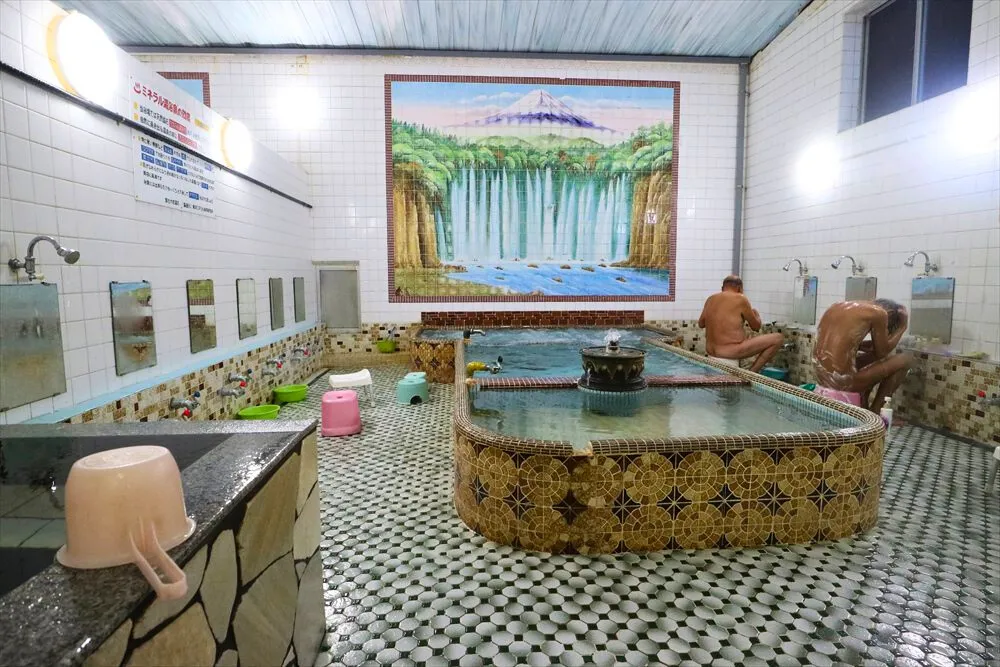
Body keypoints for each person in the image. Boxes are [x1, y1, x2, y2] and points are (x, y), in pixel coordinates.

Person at [813, 299, 911, 413]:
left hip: (822, 378)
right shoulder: (879, 313)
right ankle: (876, 411)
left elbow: (840, 345)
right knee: (906, 359)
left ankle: (864, 402)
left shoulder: (839, 306)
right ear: (888, 315)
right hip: (841, 382)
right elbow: (882, 352)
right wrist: (902, 327)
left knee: (874, 359)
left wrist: (870, 346)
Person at [698, 275, 783, 373]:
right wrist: (756, 315)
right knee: (778, 338)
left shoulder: (710, 299)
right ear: (739, 288)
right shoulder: (741, 299)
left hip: (711, 353)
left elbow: (701, 324)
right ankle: (751, 374)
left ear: (722, 288)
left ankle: (748, 374)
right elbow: (756, 327)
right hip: (730, 352)